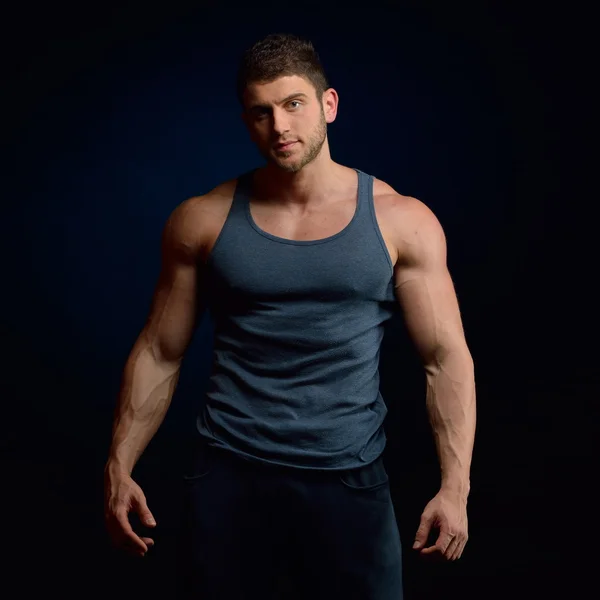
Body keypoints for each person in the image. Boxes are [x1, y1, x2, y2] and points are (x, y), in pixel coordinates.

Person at [103, 33, 476, 600]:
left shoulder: (402, 221)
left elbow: (444, 358)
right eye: (261, 112)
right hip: (229, 475)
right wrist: (119, 465)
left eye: (293, 104)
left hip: (348, 480)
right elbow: (160, 350)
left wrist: (455, 488)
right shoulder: (202, 219)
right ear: (246, 120)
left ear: (328, 105)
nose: (279, 126)